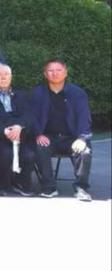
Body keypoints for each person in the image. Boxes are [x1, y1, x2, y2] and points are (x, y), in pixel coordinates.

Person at [29, 59, 93, 201]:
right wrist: (38, 134)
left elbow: (84, 117)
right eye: (50, 70)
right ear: (45, 74)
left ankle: (81, 188)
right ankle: (49, 187)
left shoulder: (77, 93)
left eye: (59, 70)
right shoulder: (37, 92)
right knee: (40, 147)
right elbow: (31, 117)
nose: (55, 73)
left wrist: (82, 138)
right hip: (48, 136)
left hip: (72, 137)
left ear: (65, 73)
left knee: (85, 151)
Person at [0, 63, 39, 198]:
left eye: (6, 74)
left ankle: (22, 183)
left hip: (22, 134)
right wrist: (3, 130)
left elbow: (29, 115)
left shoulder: (22, 94)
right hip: (0, 135)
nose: (3, 77)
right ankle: (3, 184)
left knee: (28, 155)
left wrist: (19, 126)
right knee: (5, 153)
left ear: (11, 77)